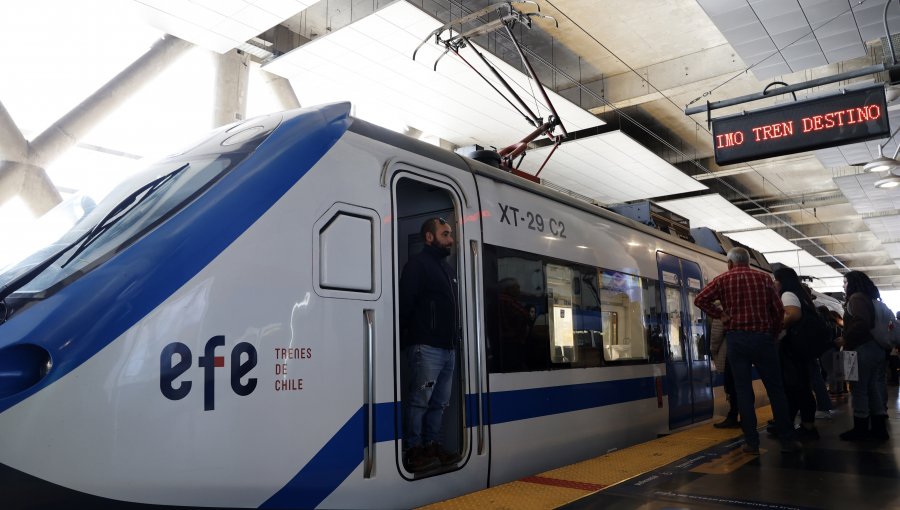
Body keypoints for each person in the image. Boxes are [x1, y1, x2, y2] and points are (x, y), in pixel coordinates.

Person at [694, 247, 801, 454]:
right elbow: (778, 311)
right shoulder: (764, 279)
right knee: (776, 390)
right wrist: (773, 333)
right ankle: (787, 440)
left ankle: (751, 443)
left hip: (737, 340)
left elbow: (700, 299)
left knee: (743, 391)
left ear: (730, 263)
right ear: (748, 262)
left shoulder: (723, 279)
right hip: (763, 339)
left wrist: (721, 315)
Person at [399, 217, 462, 471]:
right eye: (446, 234)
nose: (451, 240)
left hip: (448, 349)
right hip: (426, 347)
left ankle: (432, 444)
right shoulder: (417, 265)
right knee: (420, 401)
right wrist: (406, 340)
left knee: (440, 402)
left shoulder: (448, 270)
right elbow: (405, 305)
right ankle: (413, 450)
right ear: (429, 237)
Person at [835, 271, 889, 441]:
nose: (843, 285)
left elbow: (861, 321)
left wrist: (846, 338)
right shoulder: (869, 298)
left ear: (853, 283)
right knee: (874, 389)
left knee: (859, 390)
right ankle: (879, 429)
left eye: (845, 282)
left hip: (861, 349)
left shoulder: (856, 298)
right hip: (875, 348)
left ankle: (860, 429)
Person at [772, 267, 819, 440]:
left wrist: (775, 328)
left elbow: (793, 315)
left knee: (797, 388)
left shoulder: (788, 294)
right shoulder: (801, 294)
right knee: (799, 387)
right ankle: (791, 424)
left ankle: (807, 427)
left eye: (775, 279)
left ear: (782, 281)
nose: (773, 283)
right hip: (801, 349)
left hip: (793, 349)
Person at [709, 315, 741, 428]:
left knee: (731, 387)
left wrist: (713, 351)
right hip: (746, 351)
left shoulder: (720, 309)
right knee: (742, 387)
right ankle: (747, 419)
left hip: (729, 353)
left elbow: (716, 336)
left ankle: (733, 417)